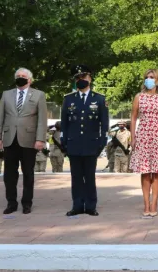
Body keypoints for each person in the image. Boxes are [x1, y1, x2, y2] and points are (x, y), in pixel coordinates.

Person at [0, 67, 48, 215]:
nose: (20, 78)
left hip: (29, 140)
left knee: (28, 173)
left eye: (23, 76)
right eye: (17, 75)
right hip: (10, 139)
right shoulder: (6, 94)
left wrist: (40, 139)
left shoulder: (39, 95)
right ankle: (11, 203)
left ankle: (27, 203)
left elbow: (42, 119)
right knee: (9, 174)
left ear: (29, 80)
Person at [62, 65, 109, 217]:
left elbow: (104, 123)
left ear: (90, 79)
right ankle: (77, 205)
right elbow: (64, 123)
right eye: (79, 78)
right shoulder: (69, 99)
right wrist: (64, 141)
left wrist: (102, 142)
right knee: (75, 177)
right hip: (74, 143)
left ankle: (90, 206)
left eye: (84, 78)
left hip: (91, 143)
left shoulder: (99, 99)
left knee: (89, 176)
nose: (82, 80)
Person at [130, 69, 158, 218]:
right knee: (145, 171)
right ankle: (146, 204)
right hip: (143, 136)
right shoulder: (139, 97)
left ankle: (154, 204)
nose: (149, 79)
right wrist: (133, 137)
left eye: (152, 77)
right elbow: (134, 118)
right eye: (147, 77)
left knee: (157, 171)